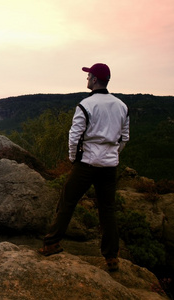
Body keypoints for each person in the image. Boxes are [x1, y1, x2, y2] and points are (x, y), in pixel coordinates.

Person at [38, 63, 130, 272]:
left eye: (89, 75)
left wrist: (73, 158)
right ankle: (111, 257)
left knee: (68, 200)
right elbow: (124, 137)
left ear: (95, 80)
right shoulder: (122, 106)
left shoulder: (86, 105)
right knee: (107, 209)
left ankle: (52, 243)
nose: (87, 78)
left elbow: (74, 136)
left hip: (87, 162)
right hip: (109, 166)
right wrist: (113, 154)